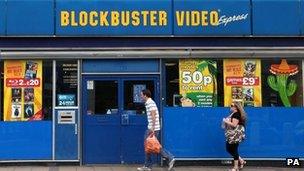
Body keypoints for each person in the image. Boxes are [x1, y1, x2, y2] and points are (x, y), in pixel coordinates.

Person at [137, 89, 175, 171]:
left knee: (152, 146)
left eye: (141, 95)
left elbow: (153, 115)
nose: (141, 96)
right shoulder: (148, 103)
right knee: (150, 146)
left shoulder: (150, 103)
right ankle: (148, 165)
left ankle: (169, 157)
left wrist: (153, 128)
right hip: (152, 128)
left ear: (145, 95)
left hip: (152, 128)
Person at [222, 102, 247, 171]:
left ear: (236, 107)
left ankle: (236, 168)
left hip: (235, 134)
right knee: (229, 148)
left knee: (233, 149)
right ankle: (241, 161)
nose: (230, 106)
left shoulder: (236, 114)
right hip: (232, 134)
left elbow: (234, 125)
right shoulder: (233, 114)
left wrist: (225, 121)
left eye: (232, 105)